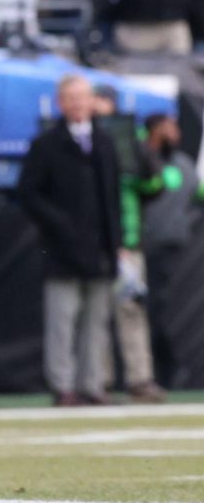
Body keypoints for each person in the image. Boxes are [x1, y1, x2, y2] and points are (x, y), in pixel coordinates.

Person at [16, 75, 121, 407]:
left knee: (97, 321)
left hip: (101, 247)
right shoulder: (46, 143)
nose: (77, 104)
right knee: (62, 320)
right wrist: (61, 226)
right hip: (62, 248)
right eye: (70, 98)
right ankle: (63, 385)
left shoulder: (105, 141)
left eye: (82, 97)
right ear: (61, 103)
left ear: (91, 101)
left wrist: (117, 241)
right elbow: (29, 193)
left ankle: (93, 383)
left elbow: (114, 197)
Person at [90, 86, 165, 404]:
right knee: (97, 314)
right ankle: (99, 381)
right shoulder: (84, 141)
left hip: (127, 243)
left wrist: (140, 175)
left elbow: (158, 182)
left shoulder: (131, 142)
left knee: (130, 309)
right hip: (94, 243)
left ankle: (139, 379)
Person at [141, 115, 202, 390]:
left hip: (169, 250)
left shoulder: (183, 164)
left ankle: (165, 372)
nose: (175, 133)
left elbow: (198, 193)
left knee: (161, 310)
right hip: (138, 247)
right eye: (169, 127)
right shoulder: (141, 160)